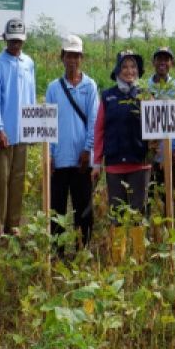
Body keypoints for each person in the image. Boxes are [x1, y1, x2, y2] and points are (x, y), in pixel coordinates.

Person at [44, 35, 99, 250]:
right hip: (59, 160)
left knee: (83, 210)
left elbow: (94, 121)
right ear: (62, 57)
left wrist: (88, 150)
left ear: (81, 58)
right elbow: (47, 124)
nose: (72, 60)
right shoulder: (53, 88)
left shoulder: (90, 86)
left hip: (81, 161)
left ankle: (82, 250)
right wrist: (48, 154)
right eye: (68, 55)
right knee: (57, 211)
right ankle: (56, 253)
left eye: (76, 56)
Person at [0, 18, 37, 234]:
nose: (16, 45)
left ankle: (13, 224)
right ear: (5, 38)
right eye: (12, 41)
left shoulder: (29, 63)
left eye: (19, 41)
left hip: (22, 132)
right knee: (0, 180)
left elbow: (32, 96)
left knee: (18, 179)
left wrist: (34, 125)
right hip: (4, 134)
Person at [93, 50, 153, 220]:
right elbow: (99, 130)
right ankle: (119, 248)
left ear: (138, 70)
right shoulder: (108, 96)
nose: (129, 71)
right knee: (117, 216)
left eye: (133, 66)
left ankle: (139, 248)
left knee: (138, 216)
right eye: (124, 66)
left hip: (140, 165)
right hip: (114, 165)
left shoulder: (146, 95)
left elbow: (156, 130)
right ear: (118, 70)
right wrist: (97, 162)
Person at [147, 46, 175, 197]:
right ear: (153, 62)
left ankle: (169, 222)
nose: (162, 62)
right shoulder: (145, 86)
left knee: (167, 196)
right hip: (149, 152)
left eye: (166, 59)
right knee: (146, 196)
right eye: (159, 59)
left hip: (168, 151)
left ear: (172, 63)